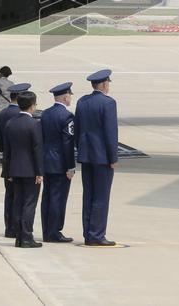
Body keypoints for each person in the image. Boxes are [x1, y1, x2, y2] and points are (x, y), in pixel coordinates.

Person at [74, 69, 119, 246]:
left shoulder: (82, 101)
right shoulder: (108, 103)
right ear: (105, 84)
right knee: (101, 196)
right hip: (102, 157)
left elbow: (77, 129)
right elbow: (110, 132)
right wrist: (113, 157)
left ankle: (88, 232)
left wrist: (81, 148)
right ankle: (97, 234)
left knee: (89, 195)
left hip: (86, 155)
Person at [4, 89, 43, 248]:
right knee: (29, 204)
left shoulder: (10, 123)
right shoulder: (34, 124)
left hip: (14, 169)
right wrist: (40, 172)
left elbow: (7, 150)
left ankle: (18, 236)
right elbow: (37, 149)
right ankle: (26, 236)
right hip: (30, 171)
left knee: (18, 202)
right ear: (32, 106)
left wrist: (8, 171)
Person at [41, 82, 77, 243]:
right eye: (69, 95)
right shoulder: (67, 116)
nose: (70, 98)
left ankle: (47, 230)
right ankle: (54, 232)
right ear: (65, 96)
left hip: (46, 161)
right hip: (60, 164)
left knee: (47, 197)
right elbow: (67, 143)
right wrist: (70, 166)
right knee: (58, 198)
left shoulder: (46, 114)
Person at [0, 83, 24, 238]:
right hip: (20, 161)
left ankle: (9, 227)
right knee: (20, 195)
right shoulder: (20, 115)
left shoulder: (2, 114)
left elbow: (0, 142)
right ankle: (17, 226)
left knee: (9, 194)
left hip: (6, 159)